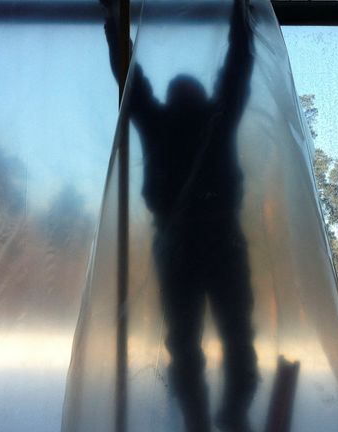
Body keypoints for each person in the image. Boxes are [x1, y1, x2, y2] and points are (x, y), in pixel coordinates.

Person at [101, 1, 256, 431]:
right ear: (201, 98)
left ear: (172, 99)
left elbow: (131, 78)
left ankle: (201, 419)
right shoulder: (215, 120)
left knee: (187, 344)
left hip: (177, 244)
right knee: (235, 335)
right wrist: (240, 15)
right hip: (221, 240)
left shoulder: (160, 122)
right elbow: (237, 69)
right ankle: (231, 415)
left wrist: (114, 24)